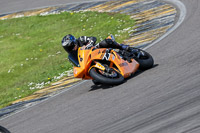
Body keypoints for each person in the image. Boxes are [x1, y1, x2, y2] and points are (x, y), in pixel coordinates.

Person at [61, 34, 133, 56]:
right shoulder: (73, 54)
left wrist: (87, 46)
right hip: (90, 59)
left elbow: (93, 38)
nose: (71, 49)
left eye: (71, 47)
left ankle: (122, 46)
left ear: (74, 43)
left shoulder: (81, 39)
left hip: (95, 50)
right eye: (68, 48)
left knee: (107, 41)